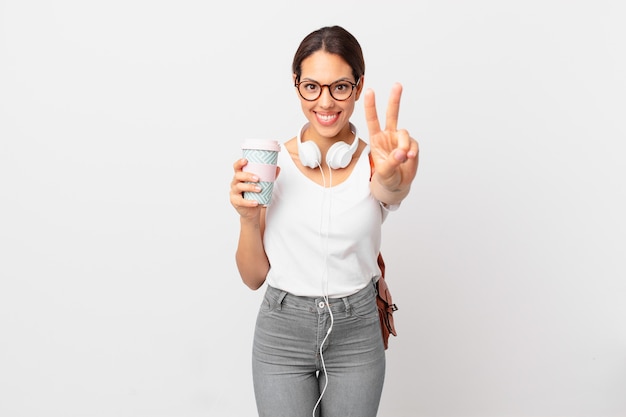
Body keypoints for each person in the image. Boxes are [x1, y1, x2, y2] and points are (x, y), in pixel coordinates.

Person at [229, 25, 419, 417]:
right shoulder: (270, 165)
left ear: (358, 84)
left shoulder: (376, 162)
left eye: (340, 87)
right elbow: (252, 279)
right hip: (282, 331)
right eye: (311, 86)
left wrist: (393, 179)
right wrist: (249, 219)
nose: (325, 101)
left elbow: (390, 191)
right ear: (296, 84)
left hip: (357, 331)